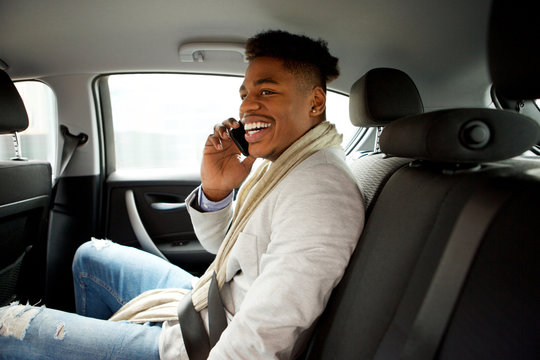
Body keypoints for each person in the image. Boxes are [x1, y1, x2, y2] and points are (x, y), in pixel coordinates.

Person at [0, 30, 364, 359]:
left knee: (8, 329)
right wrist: (217, 188)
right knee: (92, 256)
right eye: (245, 93)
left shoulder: (321, 190)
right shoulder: (281, 164)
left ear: (315, 102)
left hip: (207, 343)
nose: (247, 106)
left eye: (266, 91)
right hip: (210, 303)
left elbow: (266, 334)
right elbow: (226, 250)